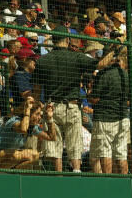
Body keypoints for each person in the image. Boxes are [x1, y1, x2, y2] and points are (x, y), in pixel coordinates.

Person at [36, 26, 116, 172]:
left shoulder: (42, 61)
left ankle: (58, 176)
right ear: (67, 40)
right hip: (72, 106)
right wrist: (113, 49)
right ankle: (76, 172)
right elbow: (100, 64)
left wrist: (38, 107)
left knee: (54, 146)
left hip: (51, 107)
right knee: (75, 145)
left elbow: (36, 89)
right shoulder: (76, 57)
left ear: (53, 40)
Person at [89, 49, 132, 174]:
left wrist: (89, 94)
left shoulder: (103, 74)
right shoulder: (127, 76)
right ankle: (125, 182)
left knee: (105, 152)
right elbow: (131, 99)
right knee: (121, 154)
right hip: (123, 117)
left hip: (104, 118)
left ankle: (108, 182)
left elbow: (94, 98)